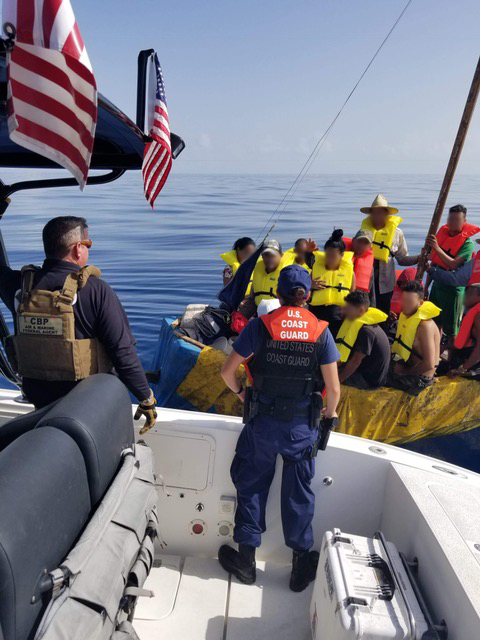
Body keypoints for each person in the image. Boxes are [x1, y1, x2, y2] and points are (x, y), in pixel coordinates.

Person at [218, 265, 341, 592]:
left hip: (262, 424)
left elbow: (227, 373)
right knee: (299, 492)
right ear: (308, 296)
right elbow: (335, 389)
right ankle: (300, 566)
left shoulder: (261, 326)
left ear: (277, 294)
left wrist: (242, 393)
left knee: (252, 484)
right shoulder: (321, 331)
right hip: (302, 427)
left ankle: (246, 562)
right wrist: (328, 416)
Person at [0, 216, 157, 430]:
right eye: (88, 244)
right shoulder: (95, 290)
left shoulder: (19, 288)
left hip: (39, 401)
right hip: (87, 404)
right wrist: (146, 398)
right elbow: (122, 352)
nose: (88, 249)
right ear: (77, 249)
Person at [426, 205, 480, 342]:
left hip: (453, 291)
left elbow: (453, 264)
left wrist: (436, 248)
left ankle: (451, 359)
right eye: (450, 218)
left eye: (457, 219)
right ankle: (435, 354)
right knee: (434, 322)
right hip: (437, 287)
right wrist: (426, 287)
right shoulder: (442, 237)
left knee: (451, 329)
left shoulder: (467, 244)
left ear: (464, 221)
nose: (452, 222)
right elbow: (434, 263)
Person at [360, 194, 419, 315]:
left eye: (380, 212)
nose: (376, 216)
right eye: (374, 213)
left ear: (387, 214)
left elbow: (402, 259)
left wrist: (420, 258)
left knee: (383, 314)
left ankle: (383, 332)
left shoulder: (397, 233)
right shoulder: (363, 232)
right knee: (365, 314)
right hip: (365, 284)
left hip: (385, 284)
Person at [388, 280, 441, 395]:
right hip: (408, 368)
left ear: (421, 303)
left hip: (420, 379)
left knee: (378, 379)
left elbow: (429, 364)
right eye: (404, 300)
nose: (405, 305)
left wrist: (405, 372)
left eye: (409, 302)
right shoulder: (407, 317)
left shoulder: (424, 327)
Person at [336, 291, 390, 389]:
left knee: (325, 377)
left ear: (360, 310)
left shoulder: (367, 331)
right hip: (364, 371)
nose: (344, 312)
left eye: (348, 309)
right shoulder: (363, 325)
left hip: (369, 380)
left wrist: (338, 381)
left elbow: (356, 361)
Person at [307, 229, 355, 337]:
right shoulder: (315, 269)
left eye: (333, 256)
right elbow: (304, 290)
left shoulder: (350, 273)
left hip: (338, 314)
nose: (329, 259)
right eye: (327, 255)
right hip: (317, 312)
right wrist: (310, 285)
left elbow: (352, 294)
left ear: (342, 255)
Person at [237, 239, 284, 319]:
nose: (269, 259)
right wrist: (241, 316)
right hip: (260, 316)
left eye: (273, 255)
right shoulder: (258, 271)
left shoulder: (286, 275)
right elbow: (252, 301)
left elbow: (294, 302)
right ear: (262, 256)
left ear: (281, 255)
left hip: (280, 318)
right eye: (266, 255)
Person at [446, 283, 480, 379]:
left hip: (475, 367)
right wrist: (447, 346)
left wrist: (462, 369)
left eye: (469, 294)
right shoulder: (472, 310)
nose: (464, 296)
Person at [350, 229, 375, 301]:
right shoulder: (340, 258)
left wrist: (372, 309)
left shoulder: (369, 267)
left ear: (370, 246)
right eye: (359, 241)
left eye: (365, 243)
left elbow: (371, 293)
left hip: (358, 303)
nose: (361, 245)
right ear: (353, 240)